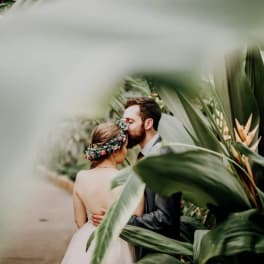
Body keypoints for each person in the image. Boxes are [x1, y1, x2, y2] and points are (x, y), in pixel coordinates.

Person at [92, 97, 181, 260]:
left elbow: (165, 218)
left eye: (129, 122)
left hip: (160, 255)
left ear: (147, 124)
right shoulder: (145, 155)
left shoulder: (163, 159)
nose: (123, 128)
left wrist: (118, 220)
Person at [61, 120, 144, 264]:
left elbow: (79, 221)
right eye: (125, 146)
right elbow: (137, 217)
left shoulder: (81, 177)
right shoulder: (130, 178)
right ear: (116, 149)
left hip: (86, 242)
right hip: (118, 244)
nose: (126, 151)